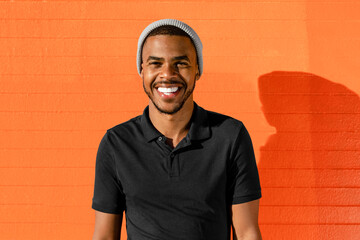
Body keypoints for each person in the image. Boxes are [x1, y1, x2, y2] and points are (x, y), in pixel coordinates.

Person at [92, 19, 262, 240]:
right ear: (142, 70)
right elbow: (104, 236)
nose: (167, 74)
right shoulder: (116, 143)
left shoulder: (230, 136)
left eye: (180, 63)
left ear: (197, 69)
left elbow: (247, 232)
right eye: (155, 63)